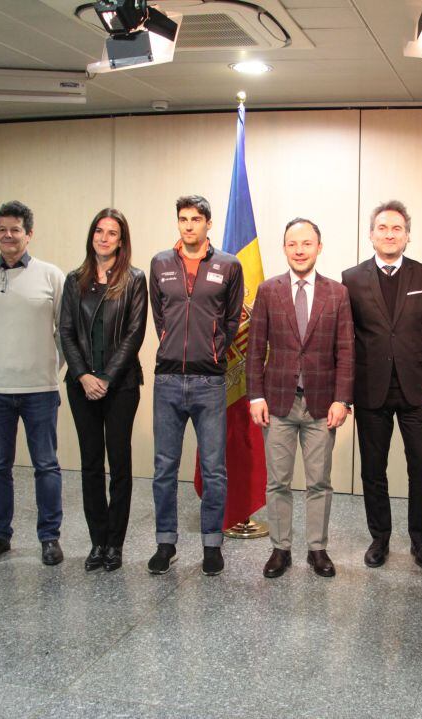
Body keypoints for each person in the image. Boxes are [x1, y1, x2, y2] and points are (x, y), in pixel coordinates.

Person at [342, 200, 422, 569]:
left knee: (420, 466)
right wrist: (344, 391)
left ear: (407, 236)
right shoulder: (351, 278)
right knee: (373, 468)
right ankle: (380, 539)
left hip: (418, 390)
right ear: (371, 235)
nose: (390, 234)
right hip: (371, 389)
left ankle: (420, 541)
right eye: (383, 228)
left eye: (397, 229)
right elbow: (347, 339)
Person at [247, 218, 354, 578]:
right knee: (277, 481)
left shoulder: (337, 293)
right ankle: (280, 549)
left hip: (322, 405)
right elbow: (254, 349)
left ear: (319, 247)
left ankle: (317, 549)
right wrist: (255, 396)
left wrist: (343, 399)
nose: (299, 250)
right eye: (293, 244)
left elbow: (346, 351)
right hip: (277, 403)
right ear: (285, 248)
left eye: (307, 243)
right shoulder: (268, 290)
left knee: (318, 482)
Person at [0, 200, 66, 567]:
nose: (8, 236)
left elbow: (64, 332)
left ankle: (50, 537)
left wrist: (50, 367)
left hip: (40, 389)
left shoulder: (52, 276)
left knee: (46, 466)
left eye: (16, 230)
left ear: (29, 234)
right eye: (2, 229)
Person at [148, 195, 244, 576]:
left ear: (208, 224)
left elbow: (233, 319)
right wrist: (172, 341)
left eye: (196, 219)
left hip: (209, 381)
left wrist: (214, 352)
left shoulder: (228, 265)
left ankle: (211, 545)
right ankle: (165, 543)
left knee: (214, 467)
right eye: (183, 219)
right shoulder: (160, 264)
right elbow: (160, 316)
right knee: (164, 468)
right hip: (168, 380)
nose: (188, 226)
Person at [60, 208, 148, 572]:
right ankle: (97, 542)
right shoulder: (74, 279)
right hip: (81, 386)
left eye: (112, 233)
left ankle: (116, 543)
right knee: (91, 464)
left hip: (121, 386)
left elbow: (134, 334)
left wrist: (107, 378)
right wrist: (83, 376)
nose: (104, 238)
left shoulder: (134, 280)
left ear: (122, 240)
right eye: (99, 231)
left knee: (120, 464)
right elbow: (65, 331)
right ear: (91, 236)